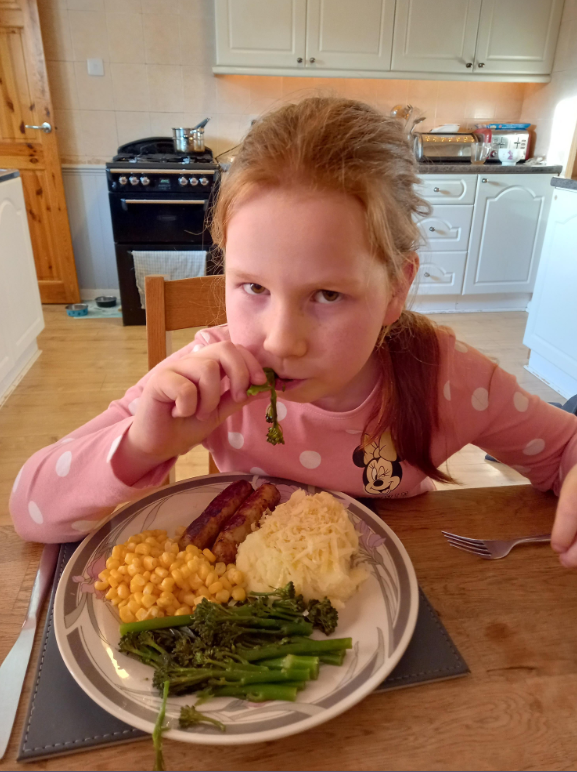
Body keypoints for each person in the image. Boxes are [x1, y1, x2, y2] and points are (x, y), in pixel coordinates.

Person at [9, 97, 577, 568]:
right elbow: (30, 508)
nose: (281, 341)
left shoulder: (447, 380)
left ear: (396, 289)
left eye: (327, 295)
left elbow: (564, 449)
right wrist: (143, 448)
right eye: (253, 287)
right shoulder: (206, 376)